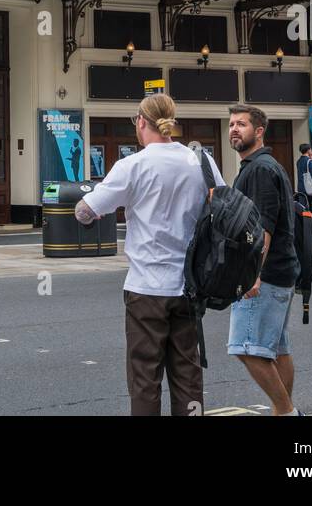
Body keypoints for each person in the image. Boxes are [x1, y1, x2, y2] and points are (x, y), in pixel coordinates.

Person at [74, 93, 224, 417]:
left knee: (145, 380)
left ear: (141, 122)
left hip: (145, 290)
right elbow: (222, 205)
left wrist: (85, 211)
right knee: (188, 377)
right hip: (189, 287)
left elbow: (86, 211)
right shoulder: (201, 161)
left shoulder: (132, 165)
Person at [227, 106, 303, 417]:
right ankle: (281, 412)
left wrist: (252, 275)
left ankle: (286, 412)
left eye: (241, 124)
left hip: (266, 275)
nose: (234, 129)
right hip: (281, 272)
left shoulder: (259, 170)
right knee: (277, 349)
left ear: (259, 132)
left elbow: (262, 229)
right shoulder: (263, 166)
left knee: (246, 349)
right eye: (231, 124)